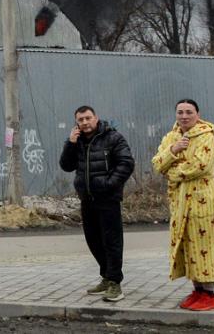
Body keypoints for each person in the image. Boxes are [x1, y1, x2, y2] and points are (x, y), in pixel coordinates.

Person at [151, 99, 214, 311]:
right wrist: (173, 150)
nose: (184, 116)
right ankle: (197, 290)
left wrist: (173, 171)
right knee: (187, 245)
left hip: (202, 200)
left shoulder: (206, 136)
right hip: (180, 201)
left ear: (197, 114)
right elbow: (156, 163)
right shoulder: (171, 137)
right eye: (180, 112)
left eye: (189, 112)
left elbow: (200, 165)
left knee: (204, 246)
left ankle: (209, 293)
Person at [59, 105, 135, 302]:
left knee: (112, 241)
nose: (84, 122)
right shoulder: (78, 142)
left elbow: (126, 163)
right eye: (80, 120)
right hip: (87, 199)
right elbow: (66, 166)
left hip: (108, 198)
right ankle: (106, 276)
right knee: (93, 240)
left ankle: (115, 283)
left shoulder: (113, 137)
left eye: (88, 118)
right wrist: (70, 143)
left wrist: (109, 184)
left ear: (96, 118)